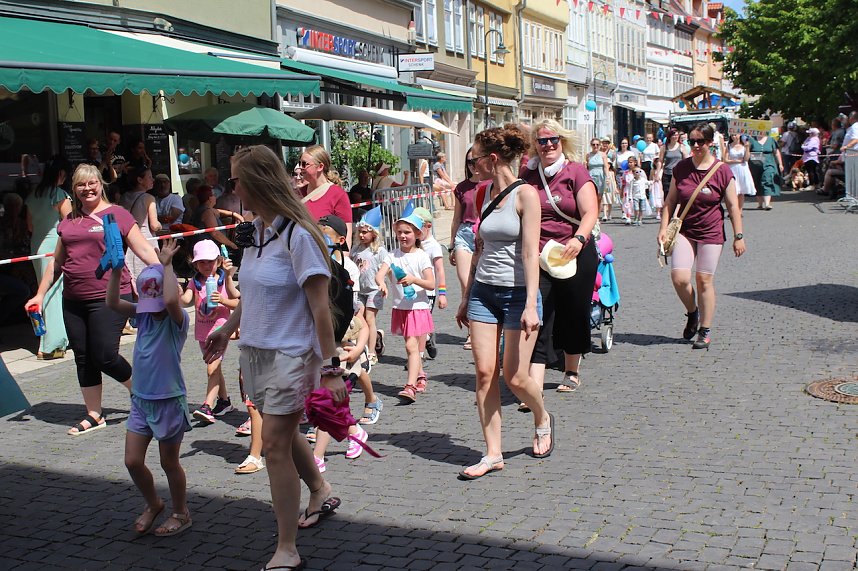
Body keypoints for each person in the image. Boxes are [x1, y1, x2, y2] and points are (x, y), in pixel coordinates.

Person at [203, 145, 343, 571]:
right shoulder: (256, 232)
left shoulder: (299, 235)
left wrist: (332, 369)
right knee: (283, 433)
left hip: (293, 355)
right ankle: (319, 489)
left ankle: (287, 548)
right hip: (256, 352)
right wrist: (227, 329)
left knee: (275, 445)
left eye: (235, 180)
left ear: (255, 182)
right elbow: (253, 292)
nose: (232, 189)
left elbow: (321, 308)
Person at [25, 163, 159, 435]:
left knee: (105, 356)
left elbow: (144, 248)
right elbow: (57, 263)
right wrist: (39, 294)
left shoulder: (117, 214)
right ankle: (95, 414)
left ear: (101, 184)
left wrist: (163, 274)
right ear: (73, 189)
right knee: (84, 358)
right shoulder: (69, 220)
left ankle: (144, 394)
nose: (87, 189)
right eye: (80, 185)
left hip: (109, 297)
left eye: (91, 183)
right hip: (73, 299)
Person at [455, 123, 553, 480]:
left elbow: (529, 253)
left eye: (475, 159)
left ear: (492, 159)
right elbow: (479, 248)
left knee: (515, 376)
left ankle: (542, 416)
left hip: (518, 294)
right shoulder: (481, 193)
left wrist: (530, 304)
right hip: (484, 292)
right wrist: (466, 295)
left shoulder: (526, 195)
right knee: (484, 373)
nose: (472, 166)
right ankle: (493, 453)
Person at [106, 241, 192, 537]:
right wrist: (116, 271)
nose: (153, 311)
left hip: (169, 400)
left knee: (169, 462)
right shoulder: (142, 315)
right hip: (141, 400)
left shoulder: (177, 321)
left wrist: (167, 265)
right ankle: (154, 503)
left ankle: (181, 512)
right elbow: (112, 303)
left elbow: (170, 301)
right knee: (132, 460)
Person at [521, 118, 600, 395]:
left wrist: (579, 239)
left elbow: (590, 211)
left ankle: (571, 371)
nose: (548, 145)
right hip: (540, 255)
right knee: (538, 313)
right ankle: (534, 384)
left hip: (573, 252)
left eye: (553, 139)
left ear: (562, 141)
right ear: (535, 145)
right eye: (542, 141)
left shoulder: (575, 171)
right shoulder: (527, 174)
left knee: (573, 313)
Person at [657, 122, 746, 350]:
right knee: (679, 278)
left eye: (700, 141)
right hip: (685, 230)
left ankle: (705, 330)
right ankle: (692, 312)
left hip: (711, 231)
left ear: (710, 143)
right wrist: (663, 229)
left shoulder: (722, 171)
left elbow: (733, 206)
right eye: (692, 141)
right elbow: (670, 201)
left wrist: (738, 235)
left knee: (703, 280)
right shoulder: (681, 168)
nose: (696, 146)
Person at [312, 215, 371, 470]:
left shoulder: (346, 271)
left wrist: (358, 348)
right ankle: (354, 431)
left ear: (339, 240)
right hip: (316, 343)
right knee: (329, 401)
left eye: (324, 237)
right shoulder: (313, 268)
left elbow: (356, 317)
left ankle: (317, 456)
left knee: (327, 401)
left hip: (339, 344)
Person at [375, 212, 435, 403]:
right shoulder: (392, 255)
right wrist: (382, 284)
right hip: (400, 308)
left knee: (411, 346)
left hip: (417, 308)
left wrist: (414, 279)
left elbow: (431, 284)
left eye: (407, 232)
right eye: (399, 232)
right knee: (411, 347)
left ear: (417, 234)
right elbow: (380, 274)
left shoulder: (422, 256)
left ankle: (410, 387)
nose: (402, 236)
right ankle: (420, 375)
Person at [179, 240, 239, 424]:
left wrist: (222, 300)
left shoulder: (224, 279)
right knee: (215, 368)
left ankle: (207, 406)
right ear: (195, 264)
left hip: (220, 331)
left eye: (210, 261)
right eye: (201, 262)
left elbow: (238, 303)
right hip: (202, 333)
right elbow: (185, 301)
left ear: (219, 261)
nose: (206, 266)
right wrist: (174, 291)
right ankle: (224, 402)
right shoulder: (195, 282)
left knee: (212, 368)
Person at [25, 155, 72, 360]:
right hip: (55, 247)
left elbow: (30, 226)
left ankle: (47, 342)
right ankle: (52, 344)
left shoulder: (33, 195)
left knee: (43, 290)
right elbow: (70, 224)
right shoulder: (59, 194)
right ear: (61, 174)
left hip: (37, 246)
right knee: (53, 293)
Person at [448, 147, 481, 350]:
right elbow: (456, 218)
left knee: (480, 283)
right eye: (469, 162)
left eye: (476, 160)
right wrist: (451, 244)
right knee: (466, 282)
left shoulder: (492, 183)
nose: (473, 165)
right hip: (464, 234)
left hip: (484, 234)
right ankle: (471, 331)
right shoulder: (461, 188)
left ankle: (483, 326)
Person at [352, 207, 388, 366]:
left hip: (374, 290)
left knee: (369, 319)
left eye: (365, 232)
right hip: (359, 291)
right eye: (359, 232)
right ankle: (366, 345)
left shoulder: (379, 251)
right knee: (360, 319)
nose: (361, 235)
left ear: (374, 233)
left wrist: (386, 284)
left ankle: (372, 352)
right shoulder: (355, 249)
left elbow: (388, 268)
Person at [299, 145, 353, 248]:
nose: (300, 167)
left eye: (305, 164)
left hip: (326, 254)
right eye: (300, 163)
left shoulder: (338, 195)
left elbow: (346, 236)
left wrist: (343, 257)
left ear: (320, 167)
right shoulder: (297, 194)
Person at [413, 207, 447, 361]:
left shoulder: (433, 246)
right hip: (413, 290)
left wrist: (442, 294)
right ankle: (427, 337)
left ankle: (418, 357)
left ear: (428, 226)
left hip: (428, 292)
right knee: (414, 324)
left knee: (420, 324)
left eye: (417, 227)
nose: (415, 231)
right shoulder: (413, 244)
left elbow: (440, 270)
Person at [119, 164, 162, 286]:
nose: (153, 180)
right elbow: (154, 225)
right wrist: (160, 225)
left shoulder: (124, 197)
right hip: (146, 241)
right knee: (150, 280)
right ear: (140, 180)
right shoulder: (148, 198)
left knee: (133, 279)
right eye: (150, 177)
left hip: (128, 242)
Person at [192, 186, 239, 250]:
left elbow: (217, 212)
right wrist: (232, 245)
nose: (215, 197)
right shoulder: (207, 212)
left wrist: (233, 214)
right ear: (209, 198)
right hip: (209, 248)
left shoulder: (205, 208)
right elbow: (215, 233)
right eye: (214, 195)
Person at [749, 130, 783, 210]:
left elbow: (776, 152)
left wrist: (780, 164)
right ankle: (760, 204)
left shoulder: (771, 139)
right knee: (756, 181)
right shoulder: (751, 139)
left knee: (767, 180)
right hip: (755, 163)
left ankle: (767, 203)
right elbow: (746, 151)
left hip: (769, 162)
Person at [725, 133, 756, 210]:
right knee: (734, 190)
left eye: (735, 135)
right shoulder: (729, 146)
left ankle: (739, 210)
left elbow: (746, 159)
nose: (733, 137)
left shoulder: (744, 145)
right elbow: (725, 160)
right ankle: (733, 209)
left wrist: (747, 148)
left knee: (741, 191)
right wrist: (738, 161)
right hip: (733, 169)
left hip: (742, 169)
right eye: (732, 135)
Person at [586, 138, 611, 222]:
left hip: (600, 177)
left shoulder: (603, 155)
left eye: (597, 144)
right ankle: (591, 216)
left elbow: (606, 167)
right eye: (593, 144)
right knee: (591, 197)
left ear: (600, 145)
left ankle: (596, 216)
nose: (595, 146)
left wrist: (607, 177)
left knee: (599, 198)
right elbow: (586, 167)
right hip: (591, 176)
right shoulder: (588, 155)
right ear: (591, 145)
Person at [660, 129, 687, 196]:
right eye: (674, 135)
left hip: (678, 174)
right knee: (667, 193)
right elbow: (660, 161)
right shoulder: (664, 147)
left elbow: (686, 160)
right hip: (667, 174)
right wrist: (658, 173)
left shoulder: (681, 146)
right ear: (670, 136)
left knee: (678, 194)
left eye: (677, 135)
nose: (675, 137)